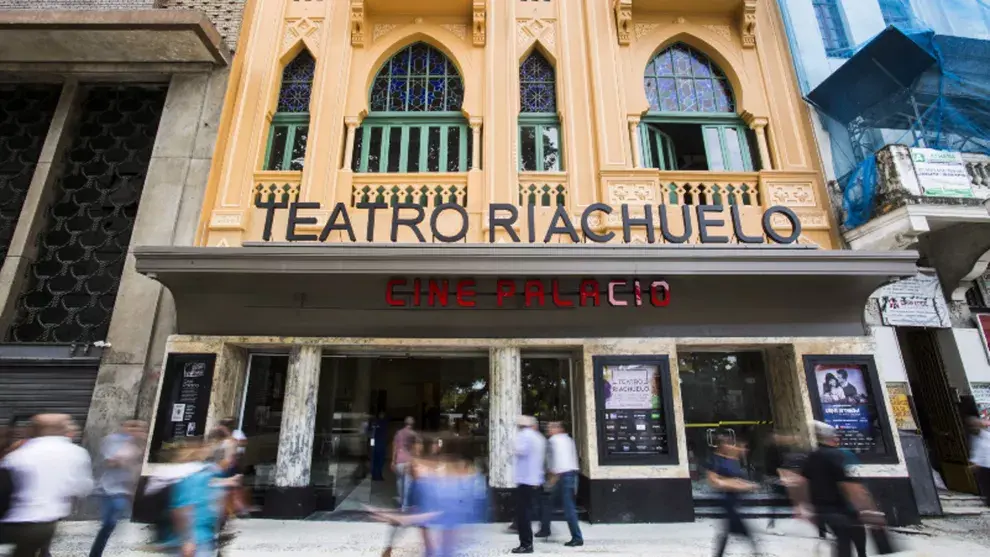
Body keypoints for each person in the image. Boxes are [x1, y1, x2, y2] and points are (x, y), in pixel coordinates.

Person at [0, 414, 94, 557]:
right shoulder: (76, 453)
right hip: (45, 524)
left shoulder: (19, 453)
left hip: (12, 520)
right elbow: (83, 488)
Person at [796, 421, 886, 557]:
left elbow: (802, 482)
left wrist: (804, 506)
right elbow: (851, 486)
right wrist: (868, 508)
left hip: (822, 509)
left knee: (844, 539)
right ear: (833, 438)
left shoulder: (812, 457)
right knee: (851, 537)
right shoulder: (839, 456)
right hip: (842, 508)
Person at [89, 420, 147, 557]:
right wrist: (131, 446)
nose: (136, 430)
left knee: (112, 524)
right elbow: (111, 462)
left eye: (140, 428)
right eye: (133, 427)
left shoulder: (140, 444)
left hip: (124, 489)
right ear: (124, 427)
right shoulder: (112, 440)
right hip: (109, 489)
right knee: (109, 523)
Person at [708, 433, 760, 557]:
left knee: (729, 530)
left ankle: (719, 554)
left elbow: (736, 479)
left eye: (730, 444)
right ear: (720, 446)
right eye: (726, 444)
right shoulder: (714, 460)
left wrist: (747, 485)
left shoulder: (733, 461)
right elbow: (715, 482)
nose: (730, 447)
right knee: (740, 528)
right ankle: (756, 551)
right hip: (725, 499)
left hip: (735, 499)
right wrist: (739, 485)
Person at [536, 422, 583, 547]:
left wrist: (551, 476)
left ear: (558, 429)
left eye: (551, 428)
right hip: (571, 475)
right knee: (549, 502)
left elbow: (552, 461)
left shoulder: (553, 440)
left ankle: (577, 537)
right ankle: (545, 529)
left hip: (561, 476)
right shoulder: (569, 439)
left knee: (568, 508)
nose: (548, 430)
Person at [512, 415, 545, 554]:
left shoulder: (524, 436)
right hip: (535, 479)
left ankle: (526, 544)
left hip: (525, 480)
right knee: (529, 511)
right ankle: (529, 540)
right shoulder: (539, 437)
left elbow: (518, 450)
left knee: (523, 514)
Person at [392, 417, 417, 510]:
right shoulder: (413, 434)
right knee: (408, 485)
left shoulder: (398, 433)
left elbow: (394, 447)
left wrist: (393, 461)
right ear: (412, 424)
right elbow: (416, 449)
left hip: (399, 461)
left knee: (399, 482)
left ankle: (400, 501)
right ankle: (405, 506)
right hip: (408, 461)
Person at [968, 416, 990, 507]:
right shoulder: (978, 437)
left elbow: (982, 450)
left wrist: (975, 462)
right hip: (984, 466)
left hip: (986, 466)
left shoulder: (984, 437)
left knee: (986, 485)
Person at [371, 412, 389, 482]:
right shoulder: (383, 423)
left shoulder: (375, 423)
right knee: (379, 461)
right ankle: (378, 475)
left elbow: (372, 435)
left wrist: (372, 445)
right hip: (380, 444)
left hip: (377, 444)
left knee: (376, 461)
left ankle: (375, 475)